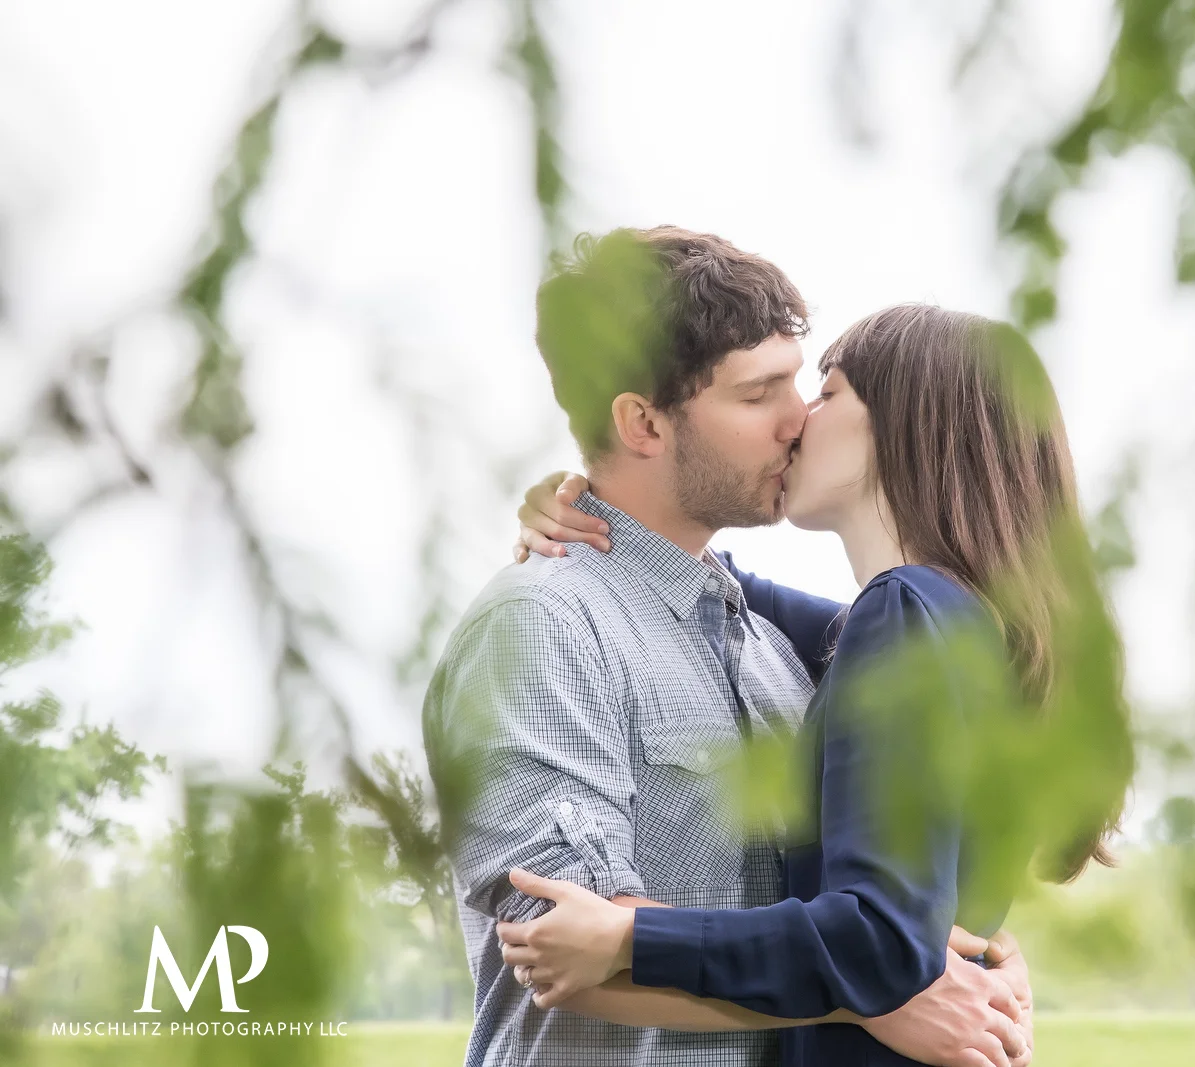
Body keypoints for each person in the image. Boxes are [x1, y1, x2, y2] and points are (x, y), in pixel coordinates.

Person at [423, 228, 1031, 1067]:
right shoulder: (542, 628)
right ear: (642, 422)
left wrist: (945, 953)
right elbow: (564, 947)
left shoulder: (779, 642)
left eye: (805, 382)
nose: (796, 420)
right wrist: (875, 999)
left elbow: (881, 892)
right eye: (759, 395)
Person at [504, 303, 1127, 1066]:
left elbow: (879, 937)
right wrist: (584, 505)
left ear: (904, 426)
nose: (799, 418)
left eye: (828, 393)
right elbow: (709, 583)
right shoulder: (949, 625)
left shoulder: (907, 621)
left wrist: (632, 935)